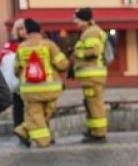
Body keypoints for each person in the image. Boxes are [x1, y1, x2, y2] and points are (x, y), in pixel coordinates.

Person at [12, 19, 70, 149]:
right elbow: (62, 64)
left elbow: (16, 69)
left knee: (35, 114)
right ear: (40, 31)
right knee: (44, 113)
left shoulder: (21, 47)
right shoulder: (49, 45)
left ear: (27, 31)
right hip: (50, 88)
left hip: (29, 90)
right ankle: (43, 141)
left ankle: (23, 130)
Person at [72, 8, 111, 141]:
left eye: (76, 18)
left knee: (94, 104)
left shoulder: (91, 32)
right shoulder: (89, 31)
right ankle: (93, 130)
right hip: (91, 76)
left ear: (83, 19)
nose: (74, 21)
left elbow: (92, 52)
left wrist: (77, 54)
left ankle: (99, 133)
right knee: (91, 103)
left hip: (92, 76)